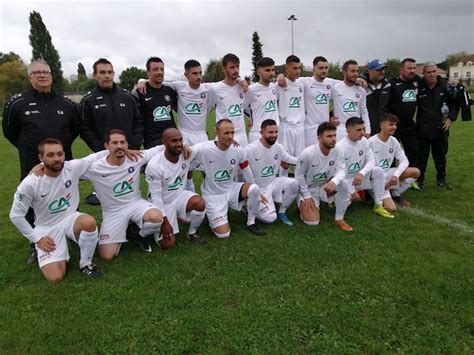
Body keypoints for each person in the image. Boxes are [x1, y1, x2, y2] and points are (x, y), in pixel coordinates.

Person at [3, 59, 80, 264]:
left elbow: (74, 130)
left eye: (45, 72)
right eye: (37, 73)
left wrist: (57, 152)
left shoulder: (66, 104)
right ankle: (35, 242)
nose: (42, 75)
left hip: (62, 161)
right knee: (31, 202)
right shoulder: (17, 103)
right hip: (32, 162)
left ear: (52, 76)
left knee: (66, 195)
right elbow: (10, 132)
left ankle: (68, 234)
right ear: (30, 77)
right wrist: (32, 150)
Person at [9, 139, 102, 283]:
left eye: (59, 154)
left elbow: (94, 157)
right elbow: (15, 215)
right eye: (50, 155)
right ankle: (61, 250)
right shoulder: (30, 182)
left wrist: (126, 151)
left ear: (64, 154)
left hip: (70, 219)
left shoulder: (72, 167)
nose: (56, 158)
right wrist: (37, 239)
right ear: (41, 158)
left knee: (89, 222)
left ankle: (85, 263)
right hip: (46, 228)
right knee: (55, 277)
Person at [82, 129, 165, 259]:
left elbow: (157, 149)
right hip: (112, 212)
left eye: (122, 142)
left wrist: (184, 145)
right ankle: (126, 229)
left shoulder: (135, 157)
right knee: (106, 255)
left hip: (135, 204)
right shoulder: (95, 167)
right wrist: (39, 167)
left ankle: (140, 235)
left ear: (127, 145)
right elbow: (68, 169)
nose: (119, 146)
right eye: (114, 143)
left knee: (156, 217)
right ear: (106, 146)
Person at [80, 58, 143, 205]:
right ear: (95, 75)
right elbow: (84, 129)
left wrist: (133, 144)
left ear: (114, 74)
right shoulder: (88, 100)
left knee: (130, 189)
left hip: (129, 151)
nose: (107, 75)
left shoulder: (127, 96)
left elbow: (139, 122)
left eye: (109, 72)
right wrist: (101, 149)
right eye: (102, 72)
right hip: (105, 154)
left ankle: (133, 217)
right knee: (111, 193)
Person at [191, 119, 267, 237]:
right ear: (217, 133)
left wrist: (257, 192)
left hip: (231, 190)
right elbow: (187, 152)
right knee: (223, 234)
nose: (230, 136)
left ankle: (251, 222)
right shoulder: (204, 148)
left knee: (254, 188)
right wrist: (185, 146)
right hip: (213, 196)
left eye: (232, 133)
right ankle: (211, 215)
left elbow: (247, 171)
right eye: (226, 133)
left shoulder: (238, 150)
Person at [145, 128, 206, 247]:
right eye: (173, 141)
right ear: (164, 143)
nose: (178, 144)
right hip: (162, 203)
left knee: (199, 203)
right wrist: (165, 222)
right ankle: (146, 225)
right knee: (168, 244)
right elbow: (156, 197)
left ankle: (192, 232)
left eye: (180, 140)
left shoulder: (186, 153)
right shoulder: (154, 165)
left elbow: (205, 146)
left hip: (178, 197)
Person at [295, 122, 353, 232]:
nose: (333, 139)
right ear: (319, 138)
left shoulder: (338, 150)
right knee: (312, 222)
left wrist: (334, 181)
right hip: (308, 189)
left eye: (334, 135)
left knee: (343, 185)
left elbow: (342, 170)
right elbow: (299, 175)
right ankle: (301, 201)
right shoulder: (307, 153)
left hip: (323, 186)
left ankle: (339, 219)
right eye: (329, 136)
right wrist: (306, 195)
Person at [244, 119, 299, 225]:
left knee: (294, 183)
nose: (274, 135)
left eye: (276, 132)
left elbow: (289, 159)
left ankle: (282, 211)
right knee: (270, 218)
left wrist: (305, 161)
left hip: (272, 183)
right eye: (270, 132)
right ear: (261, 133)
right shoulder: (250, 149)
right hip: (258, 189)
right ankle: (249, 206)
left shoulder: (278, 147)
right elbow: (240, 169)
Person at [338, 117, 394, 218]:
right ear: (348, 130)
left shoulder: (364, 141)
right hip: (346, 181)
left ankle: (378, 205)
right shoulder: (340, 147)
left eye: (363, 129)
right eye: (358, 130)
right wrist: (351, 190)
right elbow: (338, 174)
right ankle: (335, 199)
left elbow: (371, 161)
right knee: (345, 203)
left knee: (378, 170)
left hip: (360, 178)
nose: (363, 132)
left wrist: (361, 173)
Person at [416, 62, 460, 190]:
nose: (432, 74)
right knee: (421, 158)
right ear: (423, 74)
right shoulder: (419, 85)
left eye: (434, 71)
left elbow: (455, 104)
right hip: (423, 128)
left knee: (440, 156)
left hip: (441, 128)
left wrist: (451, 119)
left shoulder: (446, 85)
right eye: (429, 72)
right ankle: (420, 180)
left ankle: (441, 179)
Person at [369, 113, 420, 211]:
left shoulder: (394, 140)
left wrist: (396, 175)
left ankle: (395, 194)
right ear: (381, 125)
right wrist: (382, 183)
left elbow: (404, 160)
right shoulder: (371, 142)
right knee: (391, 209)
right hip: (375, 178)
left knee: (415, 172)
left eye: (395, 125)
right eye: (391, 124)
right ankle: (372, 194)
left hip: (388, 173)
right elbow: (368, 167)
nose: (394, 127)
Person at [132, 57, 178, 148]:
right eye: (155, 69)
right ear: (148, 72)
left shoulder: (170, 91)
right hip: (152, 142)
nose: (160, 72)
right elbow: (135, 120)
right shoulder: (139, 92)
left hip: (172, 140)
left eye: (162, 69)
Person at [274, 55, 306, 176]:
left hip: (299, 127)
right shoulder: (279, 85)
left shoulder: (302, 83)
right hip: (285, 126)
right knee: (285, 161)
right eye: (294, 68)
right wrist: (279, 76)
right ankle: (283, 187)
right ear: (287, 69)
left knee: (301, 160)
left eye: (299, 68)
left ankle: (299, 189)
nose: (297, 71)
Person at [387, 58, 420, 168]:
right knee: (390, 152)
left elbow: (434, 80)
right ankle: (390, 179)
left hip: (409, 124)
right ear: (401, 70)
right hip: (393, 125)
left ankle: (411, 179)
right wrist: (362, 78)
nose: (413, 71)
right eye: (409, 68)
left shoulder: (417, 81)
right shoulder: (391, 82)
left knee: (414, 151)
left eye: (414, 68)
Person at [209, 54, 248, 146]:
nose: (235, 70)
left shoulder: (242, 87)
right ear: (223, 69)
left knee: (245, 160)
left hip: (242, 136)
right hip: (224, 136)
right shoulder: (215, 89)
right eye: (232, 67)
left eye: (237, 66)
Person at [332, 60, 370, 141]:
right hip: (340, 129)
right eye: (352, 71)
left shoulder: (361, 90)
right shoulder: (335, 88)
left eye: (357, 71)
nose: (356, 74)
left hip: (357, 130)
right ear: (344, 72)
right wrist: (328, 118)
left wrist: (367, 130)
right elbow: (322, 104)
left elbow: (364, 112)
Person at [244, 57, 279, 143]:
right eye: (267, 70)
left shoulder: (274, 87)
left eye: (272, 70)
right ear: (259, 72)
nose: (271, 73)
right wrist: (251, 118)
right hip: (258, 134)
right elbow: (242, 107)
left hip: (274, 134)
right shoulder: (251, 90)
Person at [360, 59, 391, 135]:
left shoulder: (388, 85)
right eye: (378, 70)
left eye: (383, 69)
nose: (382, 72)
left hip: (383, 128)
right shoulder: (361, 85)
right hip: (366, 128)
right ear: (369, 71)